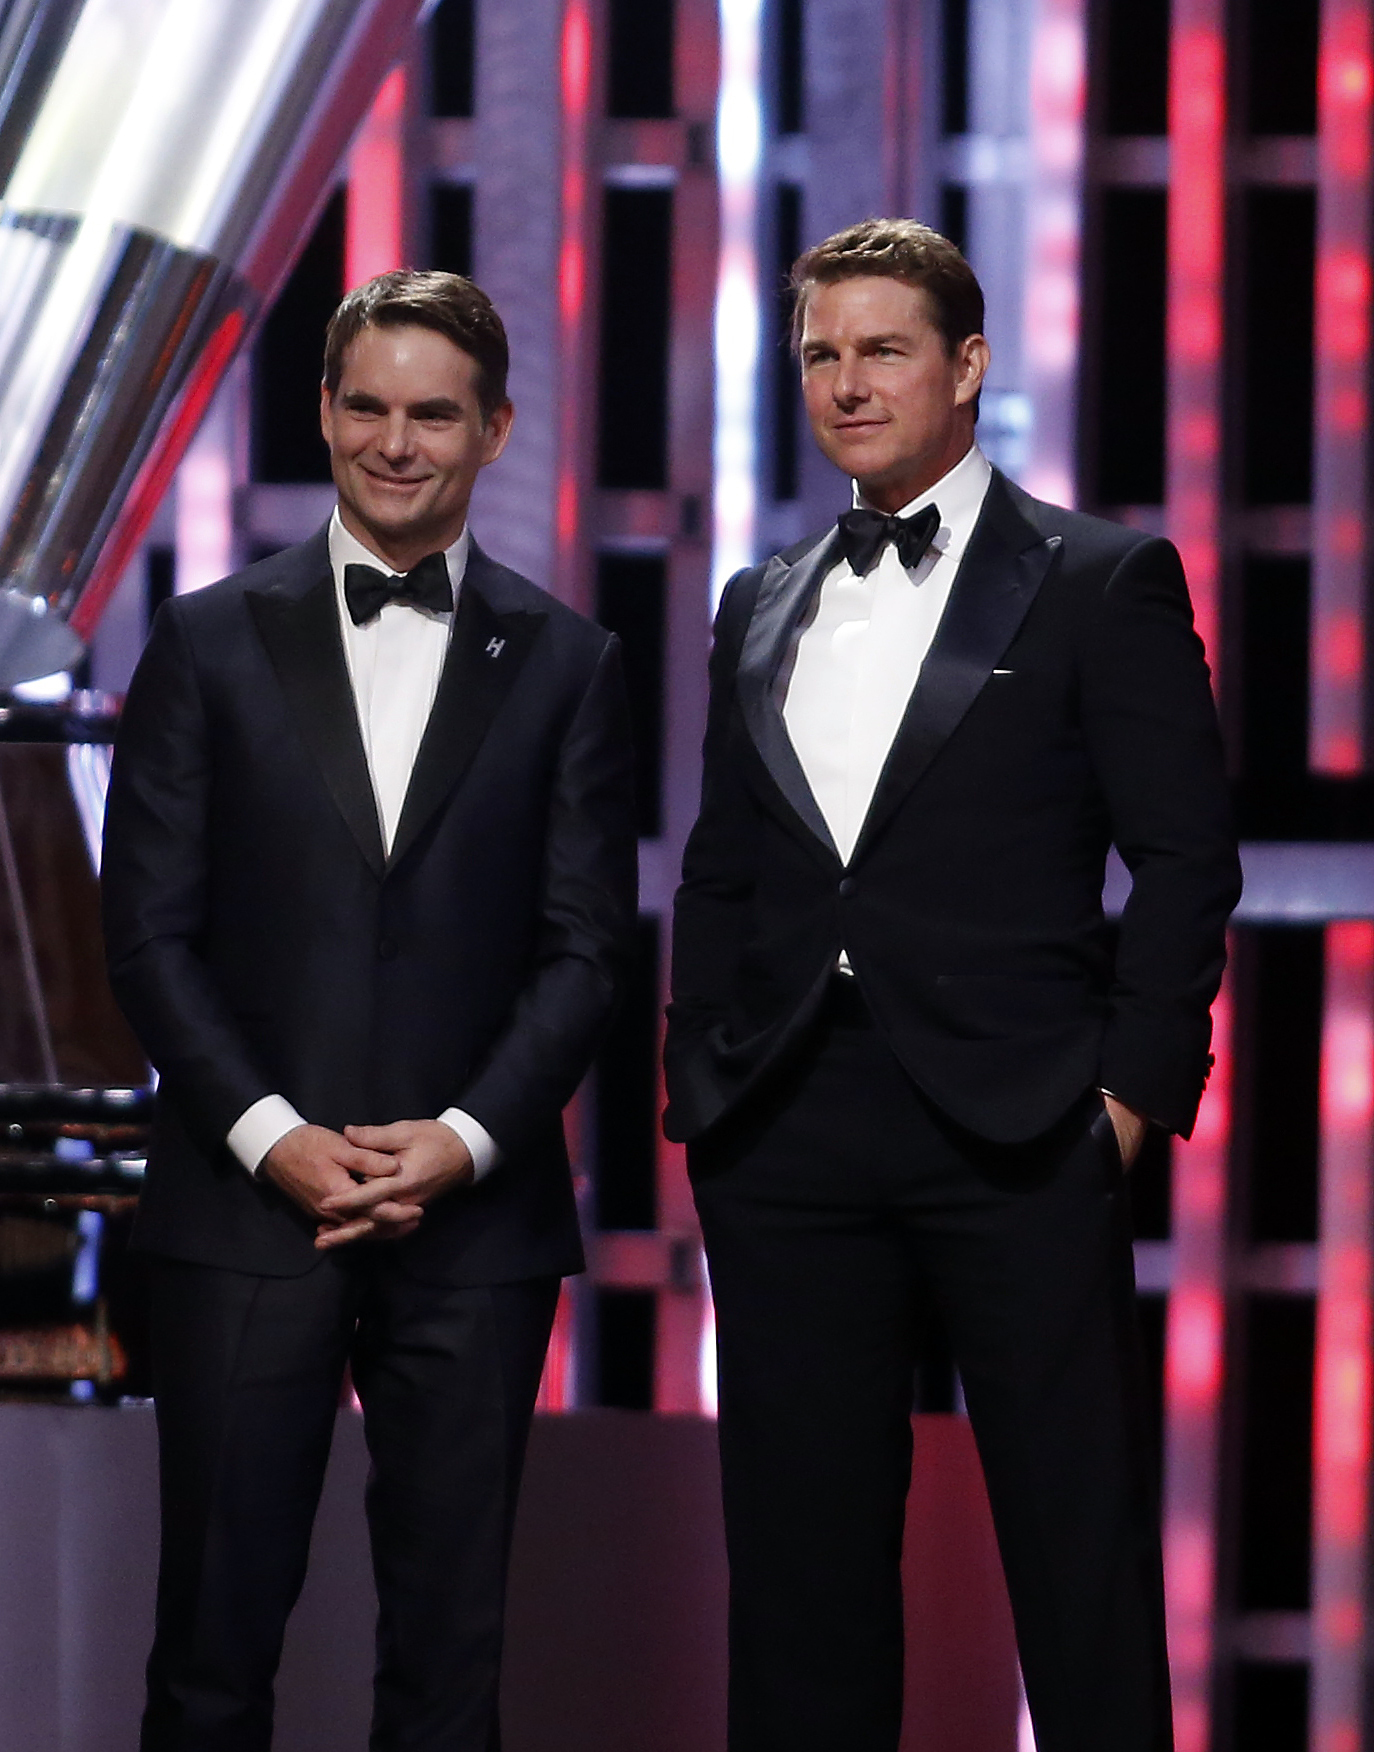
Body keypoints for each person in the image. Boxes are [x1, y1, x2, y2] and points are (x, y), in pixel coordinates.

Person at [665, 219, 1241, 1752]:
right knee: (798, 1568)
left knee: (1075, 1549)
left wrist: (1128, 1098)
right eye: (820, 356)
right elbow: (722, 866)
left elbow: (1183, 860)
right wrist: (697, 1089)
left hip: (1021, 1122)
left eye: (882, 349)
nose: (846, 383)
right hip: (784, 1117)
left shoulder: (1100, 578)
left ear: (967, 366)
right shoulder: (760, 596)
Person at [102, 269, 637, 1751]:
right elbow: (144, 937)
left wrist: (461, 1141)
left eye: (434, 414)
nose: (397, 442)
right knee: (210, 1648)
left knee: (451, 1662)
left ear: (494, 429)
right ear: (325, 413)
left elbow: (588, 949)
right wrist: (274, 1137)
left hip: (472, 1222)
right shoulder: (205, 642)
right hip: (242, 1208)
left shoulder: (571, 663)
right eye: (369, 408)